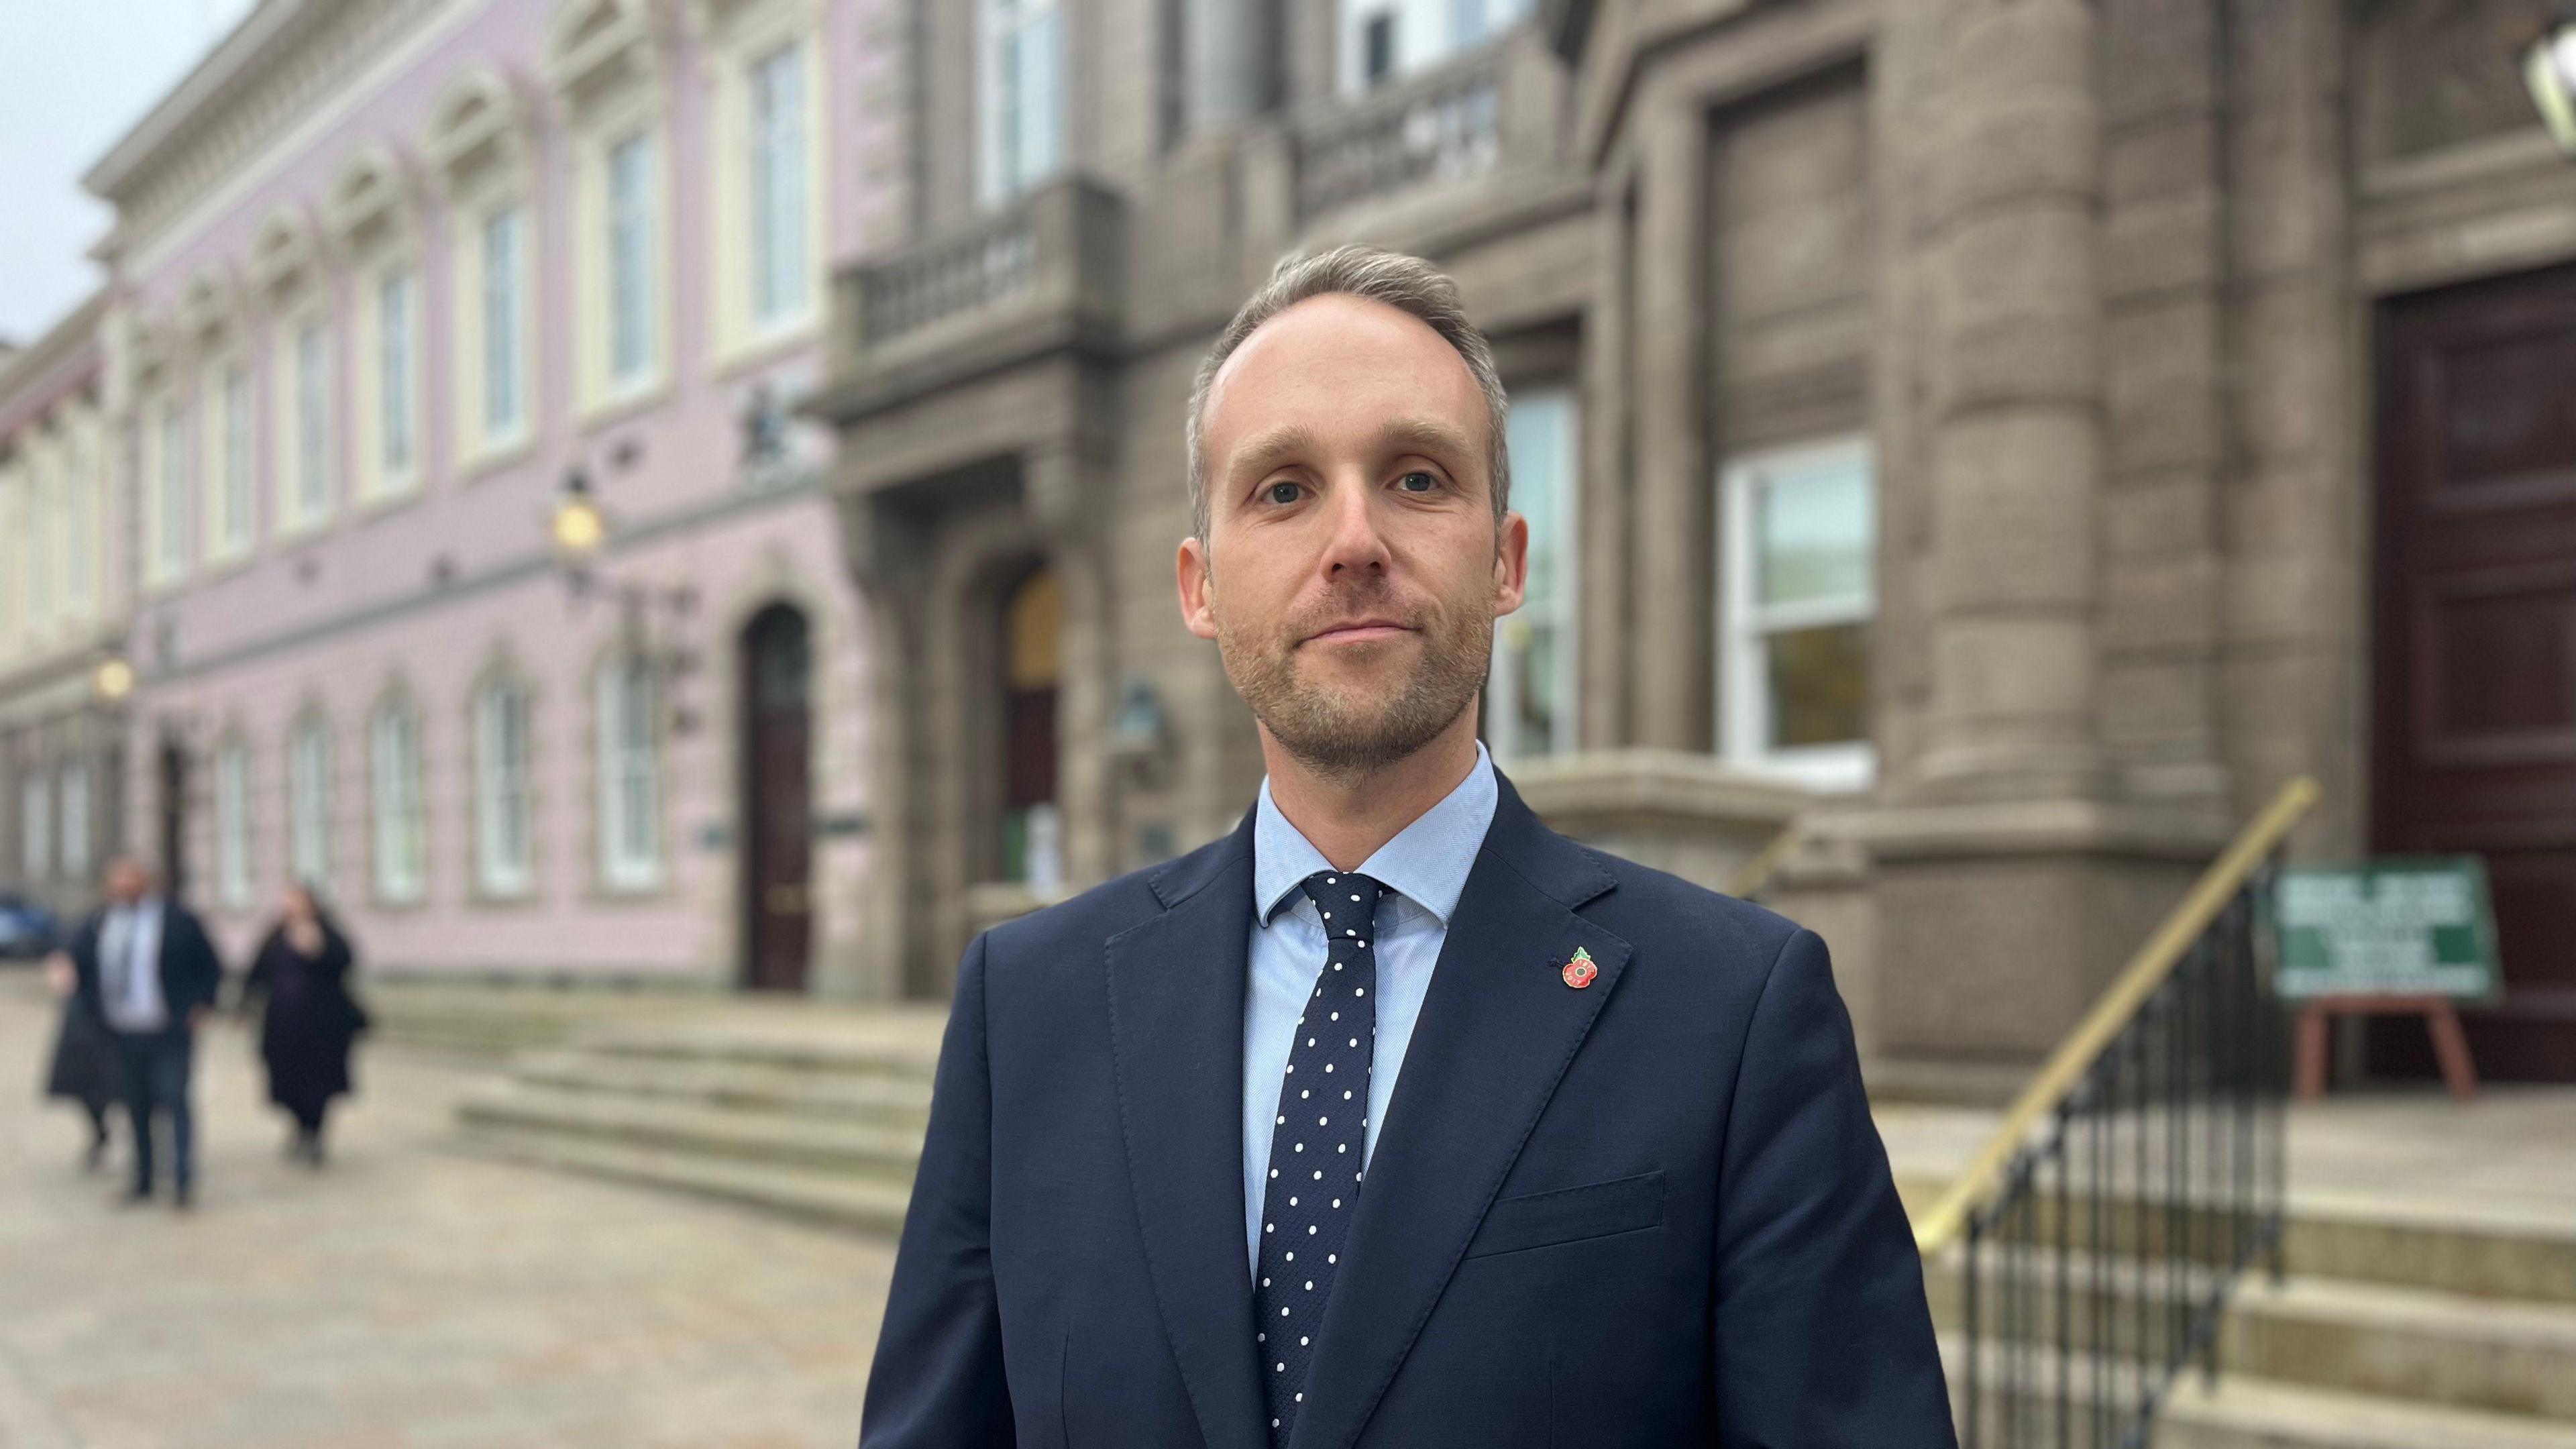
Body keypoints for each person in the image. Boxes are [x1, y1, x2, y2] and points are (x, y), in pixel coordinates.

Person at [861, 247, 1951, 1447]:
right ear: (1200, 587)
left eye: (1418, 477)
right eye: (1282, 490)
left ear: (1506, 562)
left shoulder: (1738, 1013)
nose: (1354, 540)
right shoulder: (1027, 1009)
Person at [64, 855, 223, 1210]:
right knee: (136, 1107)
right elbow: (81, 967)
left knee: (175, 1100)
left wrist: (202, 1005)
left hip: (167, 1028)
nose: (123, 886)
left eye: (130, 878)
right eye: (117, 880)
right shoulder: (100, 922)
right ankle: (143, 1179)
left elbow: (210, 965)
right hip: (121, 1030)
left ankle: (182, 1179)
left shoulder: (178, 920)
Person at [241, 882, 369, 1165]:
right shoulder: (275, 937)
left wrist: (318, 949)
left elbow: (344, 963)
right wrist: (244, 1003)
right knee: (288, 1084)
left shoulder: (326, 934)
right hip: (283, 1027)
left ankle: (315, 1135)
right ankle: (299, 1127)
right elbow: (256, 973)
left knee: (319, 1085)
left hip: (322, 1028)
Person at [40, 946, 125, 1171]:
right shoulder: (89, 930)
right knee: (83, 1083)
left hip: (122, 1020)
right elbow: (61, 963)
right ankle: (100, 1132)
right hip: (86, 1019)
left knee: (123, 1087)